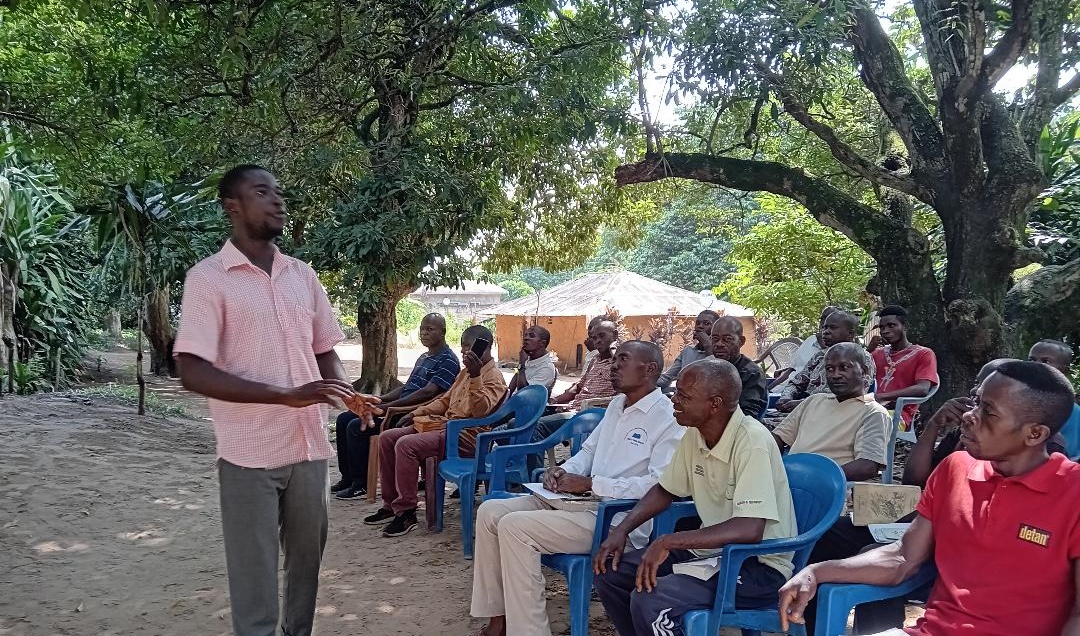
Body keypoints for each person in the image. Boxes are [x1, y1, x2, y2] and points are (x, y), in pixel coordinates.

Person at [174, 165, 362, 636]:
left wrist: (344, 393)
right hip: (248, 454)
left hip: (308, 449)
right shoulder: (209, 279)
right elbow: (192, 369)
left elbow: (324, 350)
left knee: (307, 569)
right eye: (262, 192)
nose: (277, 200)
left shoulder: (302, 275)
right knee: (254, 580)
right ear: (232, 207)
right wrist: (286, 396)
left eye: (278, 191)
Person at [778, 360, 1080, 636]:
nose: (970, 416)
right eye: (975, 403)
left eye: (988, 412)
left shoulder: (1072, 493)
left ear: (1035, 433)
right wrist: (816, 571)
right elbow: (903, 557)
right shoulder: (955, 468)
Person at [468, 341, 683, 636]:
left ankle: (529, 631)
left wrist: (593, 484)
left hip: (617, 521)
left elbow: (659, 484)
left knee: (515, 527)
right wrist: (563, 471)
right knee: (490, 511)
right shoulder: (617, 405)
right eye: (616, 359)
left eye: (623, 359)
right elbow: (588, 452)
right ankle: (499, 619)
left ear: (649, 370)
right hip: (581, 504)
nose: (614, 365)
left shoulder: (669, 418)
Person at [593, 358, 797, 636]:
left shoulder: (752, 441)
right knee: (611, 573)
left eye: (684, 396)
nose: (674, 400)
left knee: (653, 598)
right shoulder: (694, 435)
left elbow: (750, 528)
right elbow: (665, 489)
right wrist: (622, 530)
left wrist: (668, 541)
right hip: (710, 553)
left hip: (757, 565)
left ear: (714, 404)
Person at [365, 325, 506, 537]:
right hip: (443, 427)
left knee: (406, 445)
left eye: (468, 346)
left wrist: (476, 376)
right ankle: (390, 505)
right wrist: (415, 413)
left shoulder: (494, 377)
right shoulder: (464, 373)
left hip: (463, 438)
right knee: (387, 438)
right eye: (462, 346)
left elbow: (480, 411)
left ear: (484, 348)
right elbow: (444, 401)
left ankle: (406, 512)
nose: (463, 351)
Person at [332, 313, 460, 499]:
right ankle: (348, 478)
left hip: (410, 413)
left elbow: (429, 393)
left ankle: (361, 484)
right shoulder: (424, 357)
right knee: (344, 418)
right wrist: (379, 399)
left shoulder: (448, 360)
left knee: (356, 426)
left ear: (443, 332)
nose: (424, 333)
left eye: (430, 329)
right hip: (398, 407)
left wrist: (389, 407)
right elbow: (406, 388)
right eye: (422, 329)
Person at [772, 343, 890, 482]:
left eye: (844, 367)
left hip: (827, 485)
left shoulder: (873, 412)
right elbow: (778, 438)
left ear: (863, 371)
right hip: (789, 478)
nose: (835, 375)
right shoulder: (814, 401)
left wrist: (815, 477)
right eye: (829, 369)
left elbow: (867, 466)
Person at [524, 320, 619, 472]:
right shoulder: (595, 360)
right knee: (521, 420)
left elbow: (621, 384)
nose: (597, 341)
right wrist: (555, 400)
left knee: (536, 427)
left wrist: (615, 350)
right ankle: (516, 469)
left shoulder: (620, 362)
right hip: (573, 409)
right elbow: (578, 387)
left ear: (615, 335)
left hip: (589, 414)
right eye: (594, 338)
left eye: (602, 336)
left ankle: (533, 475)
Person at [776, 311, 874, 413]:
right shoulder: (820, 356)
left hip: (837, 413)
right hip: (803, 410)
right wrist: (786, 397)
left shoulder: (862, 357)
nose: (826, 331)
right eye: (825, 327)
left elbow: (853, 396)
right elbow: (796, 383)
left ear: (850, 334)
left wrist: (804, 404)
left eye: (833, 327)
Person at [870, 305, 938, 426]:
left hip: (899, 416)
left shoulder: (924, 354)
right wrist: (868, 351)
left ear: (905, 326)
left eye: (891, 325)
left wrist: (881, 397)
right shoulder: (876, 353)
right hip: (871, 408)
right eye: (882, 327)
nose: (885, 331)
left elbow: (922, 388)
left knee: (866, 420)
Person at [1029, 339, 1080, 456]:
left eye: (1046, 361)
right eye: (1032, 360)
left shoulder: (1071, 411)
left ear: (1064, 370)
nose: (1036, 365)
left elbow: (1071, 454)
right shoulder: (1015, 399)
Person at [709, 316, 768, 417]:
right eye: (715, 339)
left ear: (741, 341)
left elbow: (748, 415)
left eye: (727, 339)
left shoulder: (752, 374)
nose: (719, 344)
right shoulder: (707, 368)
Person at [771, 306, 838, 391]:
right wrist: (769, 388)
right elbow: (792, 369)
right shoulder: (811, 340)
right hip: (785, 388)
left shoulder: (841, 353)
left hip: (805, 394)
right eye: (822, 319)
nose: (825, 322)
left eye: (830, 319)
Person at [657, 310, 720, 388]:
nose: (700, 326)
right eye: (698, 323)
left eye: (706, 323)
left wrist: (708, 347)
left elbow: (718, 377)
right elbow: (667, 377)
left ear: (716, 329)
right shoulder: (688, 351)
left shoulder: (720, 353)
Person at [506, 325, 557, 396]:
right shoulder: (529, 359)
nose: (526, 338)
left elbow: (524, 392)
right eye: (525, 335)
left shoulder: (547, 368)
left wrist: (522, 364)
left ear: (542, 343)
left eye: (532, 336)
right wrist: (507, 398)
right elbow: (512, 386)